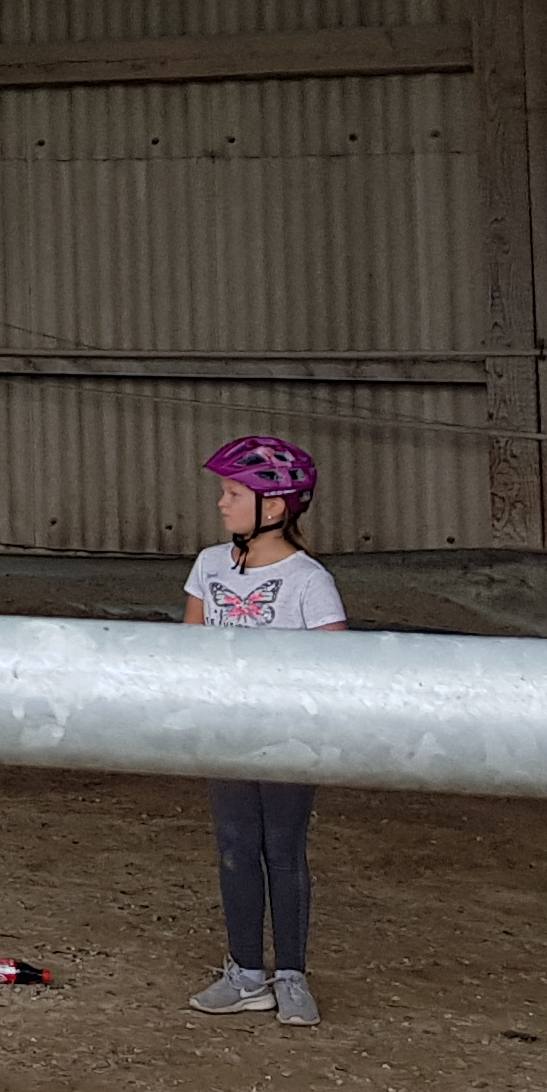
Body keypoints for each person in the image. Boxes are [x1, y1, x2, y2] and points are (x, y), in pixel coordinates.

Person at [182, 437, 346, 1028]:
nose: (221, 503)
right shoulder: (209, 566)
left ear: (273, 507)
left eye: (233, 493)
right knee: (234, 845)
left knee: (283, 847)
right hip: (227, 732)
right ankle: (247, 973)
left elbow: (337, 665)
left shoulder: (309, 581)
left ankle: (292, 975)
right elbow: (192, 647)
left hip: (288, 738)